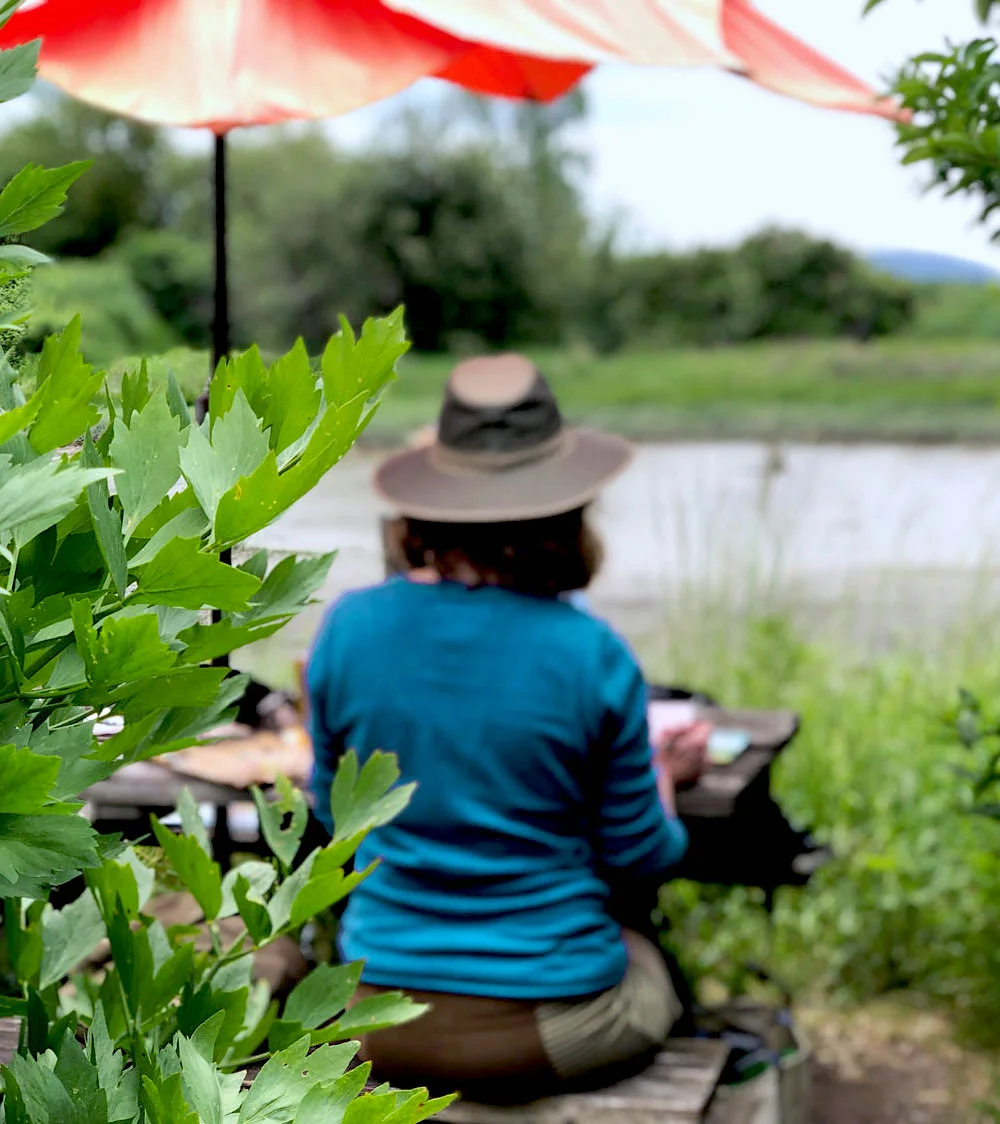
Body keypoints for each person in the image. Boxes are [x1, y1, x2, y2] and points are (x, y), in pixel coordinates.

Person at [307, 354, 710, 1102]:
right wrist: (664, 776)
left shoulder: (347, 630)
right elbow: (638, 856)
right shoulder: (589, 653)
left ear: (426, 509)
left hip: (374, 1022)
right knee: (648, 962)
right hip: (548, 1032)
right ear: (567, 511)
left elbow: (335, 821)